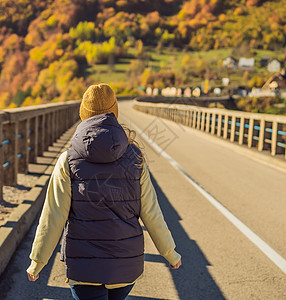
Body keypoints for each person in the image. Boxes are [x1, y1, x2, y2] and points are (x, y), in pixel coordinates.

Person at [26, 83, 181, 300]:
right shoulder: (135, 157)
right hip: (125, 265)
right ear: (114, 112)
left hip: (84, 267)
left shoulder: (67, 160)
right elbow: (151, 212)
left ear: (83, 114)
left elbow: (53, 215)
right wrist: (170, 252)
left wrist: (37, 261)